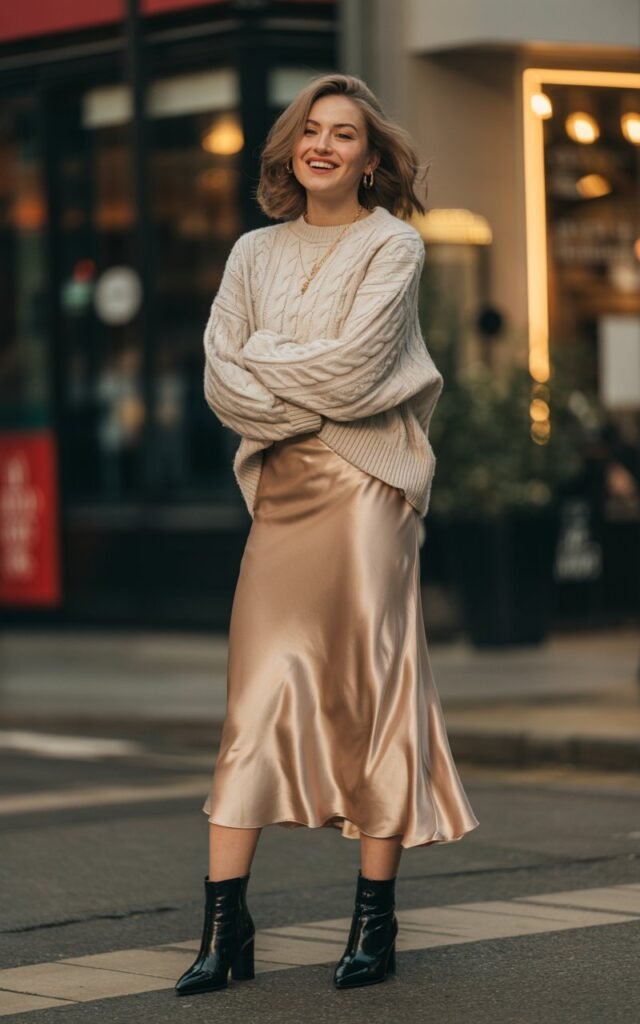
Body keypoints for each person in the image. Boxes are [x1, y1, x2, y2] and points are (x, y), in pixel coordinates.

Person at [175, 72, 480, 997]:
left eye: (343, 134)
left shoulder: (395, 246)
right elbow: (217, 384)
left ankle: (374, 923)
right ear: (288, 148)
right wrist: (265, 371)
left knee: (367, 695)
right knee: (253, 699)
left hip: (365, 493)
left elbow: (353, 381)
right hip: (280, 494)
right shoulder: (250, 252)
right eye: (310, 130)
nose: (323, 145)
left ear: (370, 157)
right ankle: (225, 930)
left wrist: (263, 361)